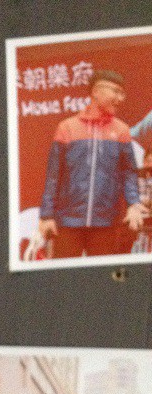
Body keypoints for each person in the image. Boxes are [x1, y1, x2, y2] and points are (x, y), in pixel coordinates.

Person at [38, 70, 146, 258]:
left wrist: (133, 204)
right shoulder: (67, 127)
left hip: (106, 223)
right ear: (96, 92)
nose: (121, 98)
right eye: (116, 91)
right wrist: (46, 215)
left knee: (103, 275)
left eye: (122, 93)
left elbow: (129, 173)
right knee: (65, 274)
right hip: (67, 222)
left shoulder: (122, 130)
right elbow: (53, 176)